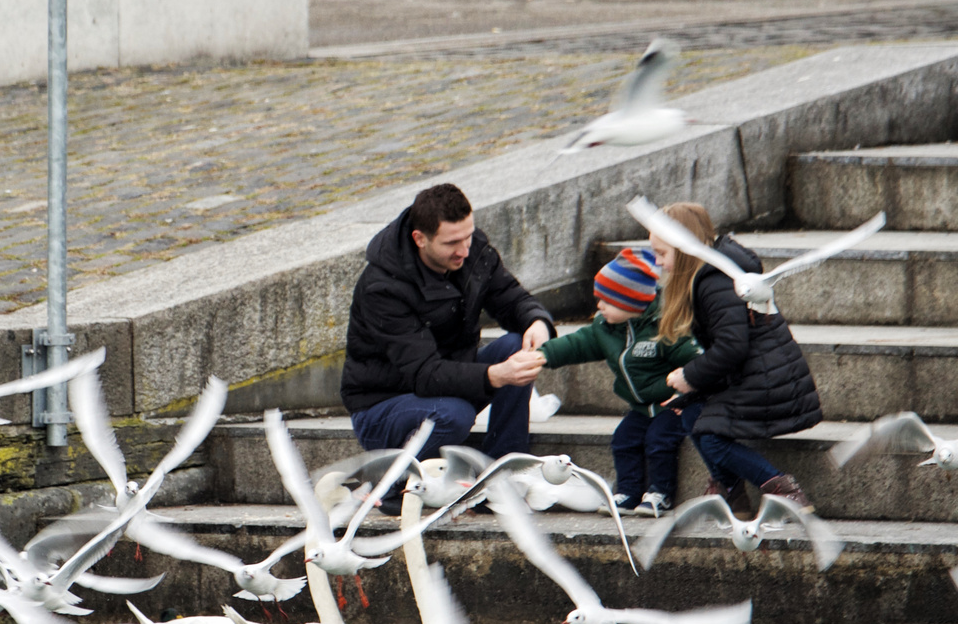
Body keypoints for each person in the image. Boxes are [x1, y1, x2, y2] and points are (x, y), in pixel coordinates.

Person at [341, 183, 556, 464]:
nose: (464, 250)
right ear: (420, 239)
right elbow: (424, 374)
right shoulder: (383, 287)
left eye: (467, 236)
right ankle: (398, 485)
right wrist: (495, 375)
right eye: (452, 243)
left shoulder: (473, 249)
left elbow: (511, 299)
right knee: (453, 415)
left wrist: (537, 322)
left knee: (517, 347)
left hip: (448, 386)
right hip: (383, 406)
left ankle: (505, 468)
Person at [649, 201, 820, 513]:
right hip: (752, 376)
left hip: (771, 382)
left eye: (662, 253)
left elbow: (732, 347)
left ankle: (781, 487)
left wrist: (688, 377)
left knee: (710, 436)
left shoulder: (715, 282)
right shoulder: (710, 275)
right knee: (690, 414)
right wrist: (691, 392)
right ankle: (731, 494)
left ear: (685, 248)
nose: (659, 263)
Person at [535, 247, 701, 516]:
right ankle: (628, 491)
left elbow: (694, 359)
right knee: (624, 439)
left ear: (632, 302)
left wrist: (690, 390)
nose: (599, 306)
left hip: (670, 403)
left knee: (659, 440)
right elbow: (577, 344)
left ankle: (660, 492)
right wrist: (543, 355)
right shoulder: (606, 328)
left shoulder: (665, 327)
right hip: (640, 406)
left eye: (606, 300)